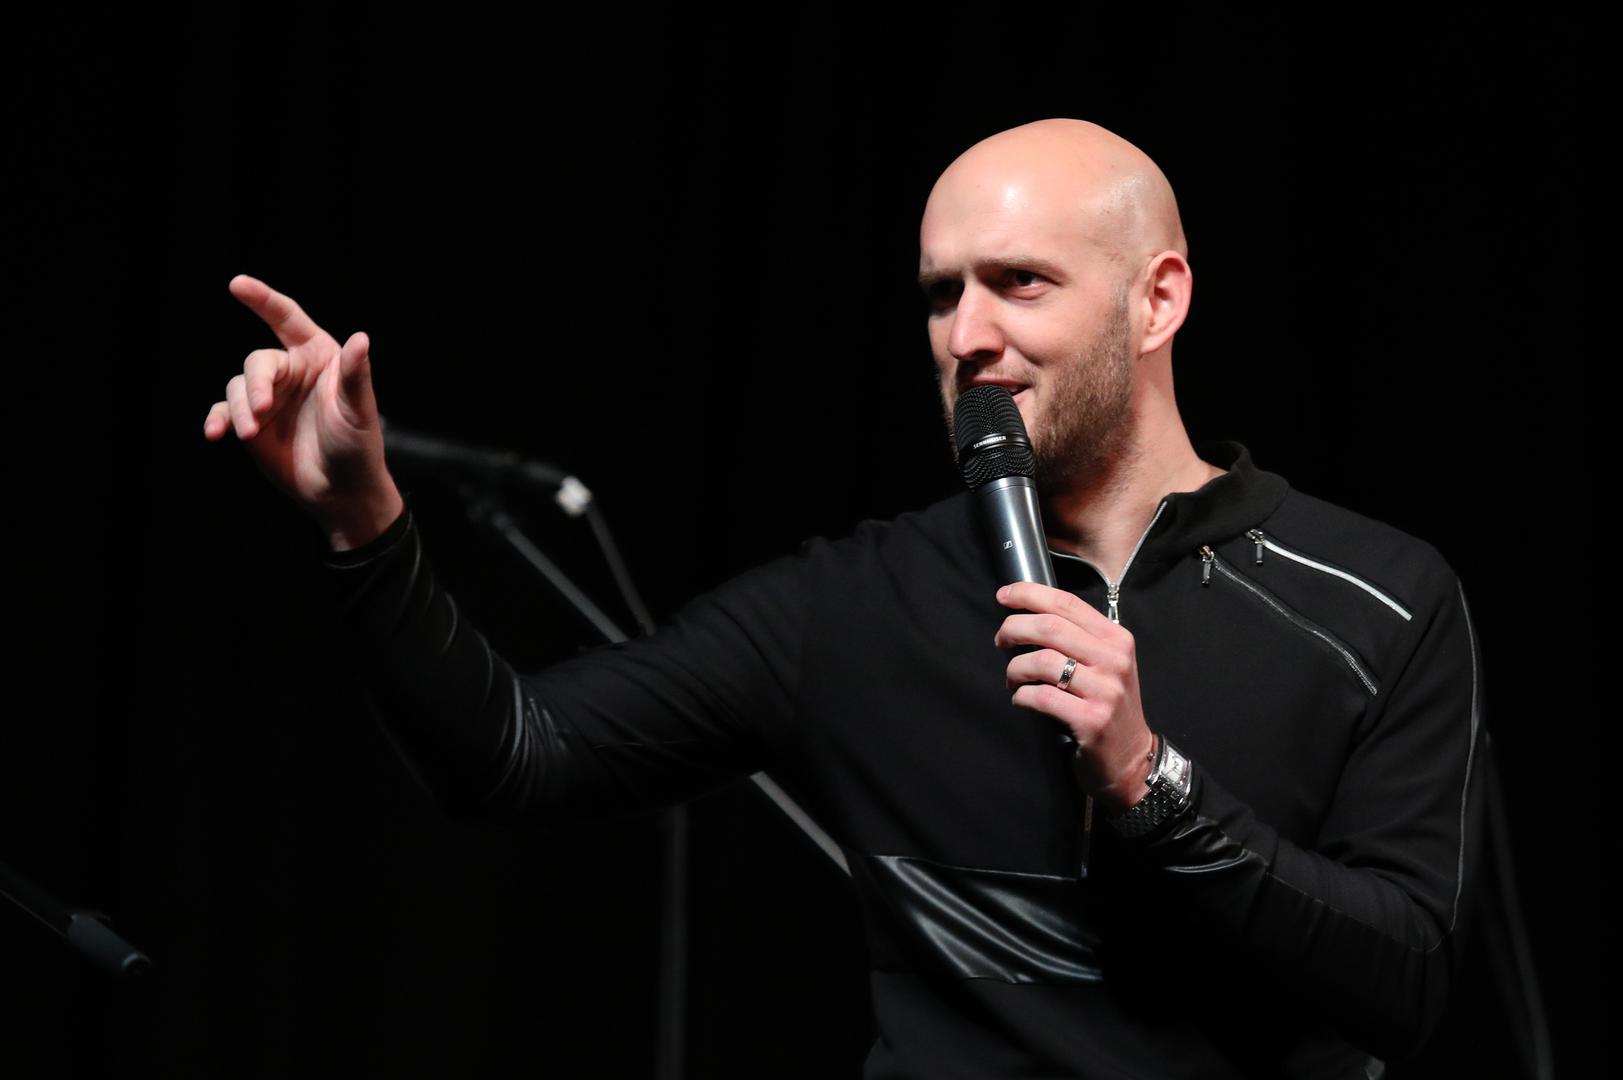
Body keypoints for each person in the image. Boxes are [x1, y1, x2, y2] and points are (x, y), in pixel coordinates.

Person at [203, 118, 1485, 1079]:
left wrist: (1152, 782)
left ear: (1158, 299)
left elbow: (1411, 981)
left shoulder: (1375, 596)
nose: (966, 336)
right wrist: (364, 526)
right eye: (941, 293)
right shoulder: (861, 600)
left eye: (1020, 282)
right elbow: (513, 756)